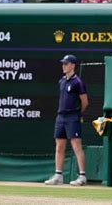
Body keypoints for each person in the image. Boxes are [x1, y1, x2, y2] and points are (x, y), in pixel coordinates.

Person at [45, 54, 89, 186]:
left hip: (72, 117)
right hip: (60, 117)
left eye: (66, 63)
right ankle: (58, 175)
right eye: (63, 64)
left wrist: (76, 113)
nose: (63, 66)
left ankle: (82, 176)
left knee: (76, 146)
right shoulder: (62, 81)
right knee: (59, 146)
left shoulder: (78, 82)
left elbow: (85, 102)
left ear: (73, 65)